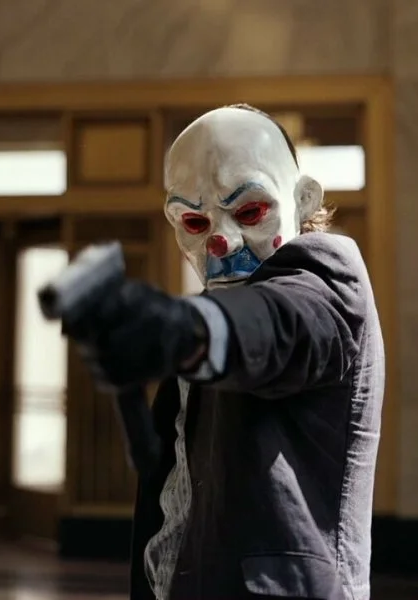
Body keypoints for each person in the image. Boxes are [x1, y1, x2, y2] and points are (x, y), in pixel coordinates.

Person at [64, 105, 384, 600]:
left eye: (249, 212)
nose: (220, 243)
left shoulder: (328, 281)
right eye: (195, 221)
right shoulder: (213, 311)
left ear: (303, 201)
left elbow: (276, 326)